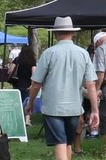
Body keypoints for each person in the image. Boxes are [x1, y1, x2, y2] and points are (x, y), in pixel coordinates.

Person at [26, 16, 99, 160]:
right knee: (68, 143)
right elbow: (91, 85)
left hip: (53, 107)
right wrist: (95, 110)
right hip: (74, 107)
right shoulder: (83, 53)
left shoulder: (49, 53)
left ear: (55, 33)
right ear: (73, 33)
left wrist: (30, 104)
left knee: (60, 142)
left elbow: (36, 84)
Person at [8, 44, 36, 125]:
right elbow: (34, 73)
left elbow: (10, 70)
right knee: (27, 101)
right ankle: (27, 119)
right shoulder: (32, 61)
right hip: (27, 84)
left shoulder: (17, 59)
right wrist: (32, 84)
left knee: (17, 101)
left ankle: (18, 117)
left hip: (17, 83)